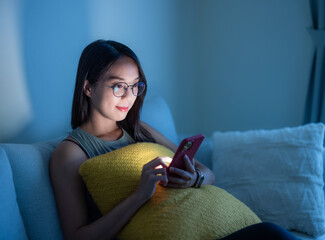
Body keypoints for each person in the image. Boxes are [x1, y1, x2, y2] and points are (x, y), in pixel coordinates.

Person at [50, 40, 298, 240]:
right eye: (118, 86)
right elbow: (76, 236)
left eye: (136, 86)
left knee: (271, 232)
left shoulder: (139, 129)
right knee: (270, 234)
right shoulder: (70, 153)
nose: (129, 97)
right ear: (88, 88)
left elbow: (208, 173)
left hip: (199, 227)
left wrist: (194, 178)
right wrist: (139, 195)